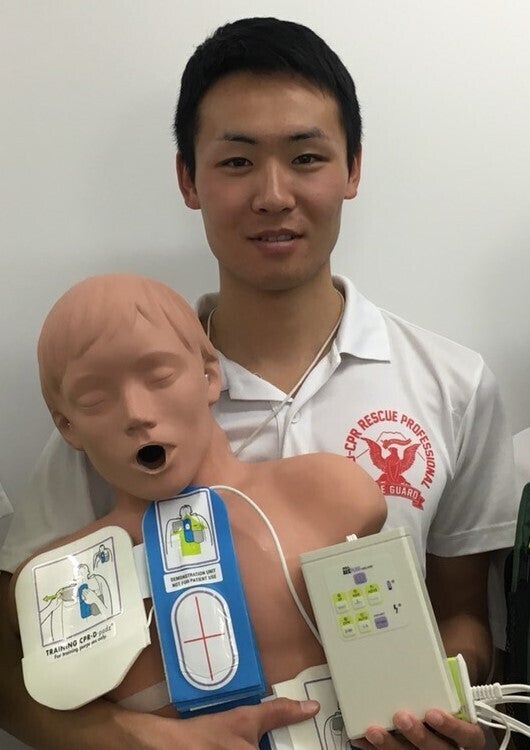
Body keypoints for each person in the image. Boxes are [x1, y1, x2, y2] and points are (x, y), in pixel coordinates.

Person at [0, 16, 517, 750]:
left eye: (306, 157)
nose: (274, 195)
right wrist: (146, 739)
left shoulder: (452, 385)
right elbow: (13, 662)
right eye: (237, 162)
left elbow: (465, 612)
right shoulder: (116, 415)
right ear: (189, 178)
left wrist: (442, 705)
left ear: (352, 169)